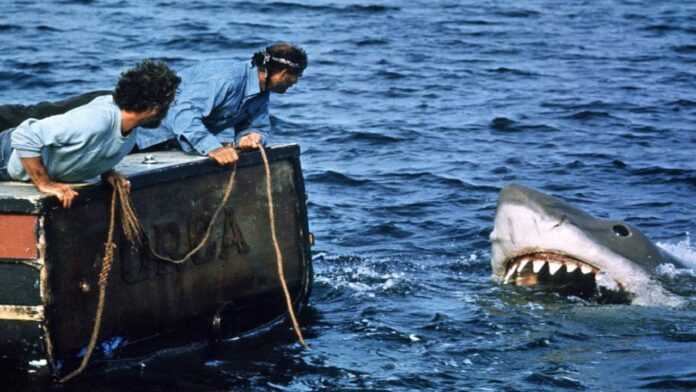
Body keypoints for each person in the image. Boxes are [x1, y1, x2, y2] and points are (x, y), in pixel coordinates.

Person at [0, 60, 181, 208]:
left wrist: (106, 170)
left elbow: (90, 146)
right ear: (153, 108)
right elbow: (25, 136)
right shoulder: (96, 119)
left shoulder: (129, 128)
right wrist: (44, 183)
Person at [135, 43, 308, 165]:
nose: (295, 82)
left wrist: (251, 136)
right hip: (138, 135)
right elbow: (183, 113)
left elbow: (258, 127)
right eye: (296, 76)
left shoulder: (261, 91)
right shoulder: (226, 78)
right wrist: (213, 148)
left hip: (170, 149)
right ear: (283, 73)